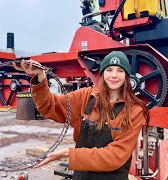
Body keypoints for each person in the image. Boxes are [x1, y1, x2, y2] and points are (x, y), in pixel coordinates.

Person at [13, 51, 149, 180]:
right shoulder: (85, 97)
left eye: (120, 71)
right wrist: (40, 77)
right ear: (102, 73)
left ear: (126, 76)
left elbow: (115, 156)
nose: (114, 75)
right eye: (109, 70)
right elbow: (50, 106)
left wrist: (69, 153)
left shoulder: (135, 110)